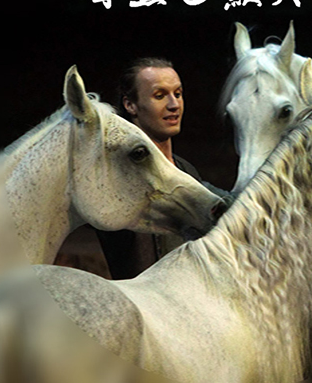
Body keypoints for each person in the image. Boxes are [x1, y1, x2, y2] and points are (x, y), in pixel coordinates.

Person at [95, 57, 231, 279]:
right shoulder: (118, 173)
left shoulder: (186, 170)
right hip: (140, 295)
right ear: (130, 105)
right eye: (159, 96)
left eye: (178, 94)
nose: (174, 104)